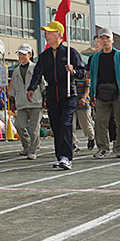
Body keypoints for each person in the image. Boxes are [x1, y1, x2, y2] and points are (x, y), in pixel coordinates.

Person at [27, 21, 85, 170]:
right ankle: (61, 157)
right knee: (56, 126)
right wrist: (31, 88)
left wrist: (73, 71)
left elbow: (82, 73)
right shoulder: (44, 55)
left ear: (59, 35)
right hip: (52, 94)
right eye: (46, 32)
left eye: (49, 32)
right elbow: (37, 74)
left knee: (66, 125)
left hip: (68, 93)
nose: (46, 35)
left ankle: (67, 157)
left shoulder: (70, 53)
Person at [89, 28, 120, 159]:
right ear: (99, 41)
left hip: (118, 93)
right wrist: (92, 93)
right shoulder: (95, 58)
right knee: (99, 122)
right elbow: (92, 76)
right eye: (102, 38)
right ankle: (103, 148)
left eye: (107, 38)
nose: (105, 41)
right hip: (101, 93)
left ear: (112, 40)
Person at [9, 44, 45, 160]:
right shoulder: (15, 70)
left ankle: (33, 150)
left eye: (24, 54)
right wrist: (13, 102)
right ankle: (27, 145)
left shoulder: (36, 68)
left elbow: (42, 84)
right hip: (20, 102)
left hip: (35, 101)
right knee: (19, 125)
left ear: (30, 55)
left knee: (34, 129)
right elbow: (14, 87)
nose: (21, 56)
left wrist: (45, 99)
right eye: (20, 54)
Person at [72, 71, 95, 152]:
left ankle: (91, 137)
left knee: (85, 124)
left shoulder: (85, 73)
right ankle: (73, 144)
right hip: (71, 102)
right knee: (70, 125)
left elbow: (87, 88)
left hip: (83, 103)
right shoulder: (68, 73)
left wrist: (84, 98)